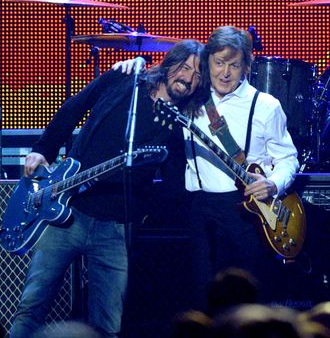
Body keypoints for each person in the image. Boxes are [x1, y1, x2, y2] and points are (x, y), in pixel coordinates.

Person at [9, 39, 204, 338]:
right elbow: (76, 106)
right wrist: (43, 149)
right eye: (185, 67)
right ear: (169, 63)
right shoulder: (125, 78)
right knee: (32, 307)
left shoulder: (177, 125)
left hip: (116, 229)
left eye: (198, 74)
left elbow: (173, 185)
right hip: (69, 211)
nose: (188, 78)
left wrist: (143, 212)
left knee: (108, 324)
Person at [183, 26, 299, 308]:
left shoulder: (266, 105)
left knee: (247, 297)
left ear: (246, 65)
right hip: (198, 208)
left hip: (246, 212)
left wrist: (273, 183)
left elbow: (288, 158)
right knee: (202, 296)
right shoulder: (189, 99)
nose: (225, 73)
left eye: (234, 65)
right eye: (219, 63)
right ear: (207, 61)